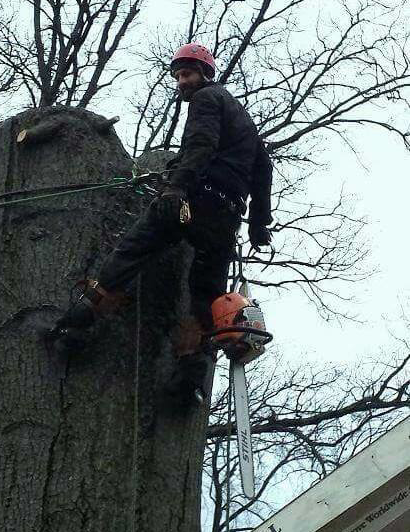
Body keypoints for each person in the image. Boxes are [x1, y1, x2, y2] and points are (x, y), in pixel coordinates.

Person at [49, 43, 273, 404]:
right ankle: (189, 376)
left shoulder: (206, 99)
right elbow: (263, 172)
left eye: (188, 74)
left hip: (196, 198)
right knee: (205, 294)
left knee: (133, 249)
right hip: (224, 218)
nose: (183, 82)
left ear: (204, 74)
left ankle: (79, 321)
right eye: (179, 76)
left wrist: (177, 187)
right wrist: (258, 224)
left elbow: (200, 144)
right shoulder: (244, 121)